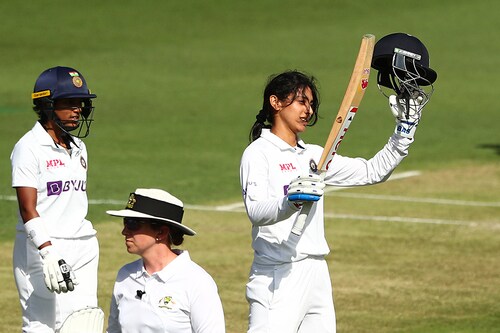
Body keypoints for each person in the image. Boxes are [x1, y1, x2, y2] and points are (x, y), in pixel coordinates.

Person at [240, 64, 432, 331]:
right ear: (275, 102)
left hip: (316, 272)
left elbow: (372, 171)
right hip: (277, 274)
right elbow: (256, 211)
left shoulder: (315, 155)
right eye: (300, 101)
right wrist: (290, 201)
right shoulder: (258, 153)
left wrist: (404, 131)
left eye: (311, 104)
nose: (308, 110)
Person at [11, 66, 99, 332]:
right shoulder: (28, 148)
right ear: (47, 105)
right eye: (69, 103)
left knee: (83, 323)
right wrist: (48, 252)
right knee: (42, 326)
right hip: (44, 248)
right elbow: (28, 208)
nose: (77, 110)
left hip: (82, 245)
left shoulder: (78, 146)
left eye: (80, 104)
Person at [106, 188, 226, 333]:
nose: (124, 231)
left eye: (132, 223)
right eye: (125, 222)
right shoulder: (125, 275)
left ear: (161, 232)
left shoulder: (197, 281)